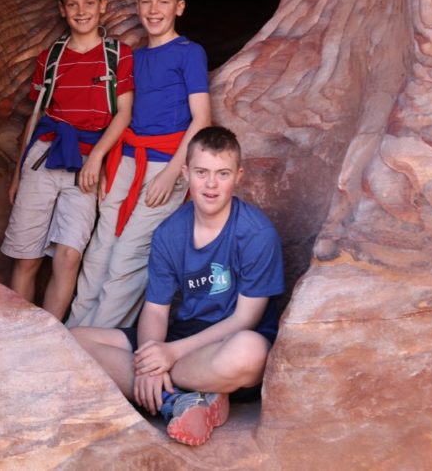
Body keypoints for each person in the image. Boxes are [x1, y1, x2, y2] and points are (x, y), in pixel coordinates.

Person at [71, 126, 285, 446]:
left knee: (250, 353)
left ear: (238, 176)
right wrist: (149, 364)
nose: (211, 184)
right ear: (185, 173)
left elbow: (245, 319)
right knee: (75, 339)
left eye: (222, 173)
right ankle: (180, 400)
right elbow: (156, 309)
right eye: (201, 172)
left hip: (227, 343)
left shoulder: (256, 233)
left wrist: (169, 355)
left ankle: (175, 393)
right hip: (182, 336)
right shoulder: (170, 232)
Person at [67, 0, 212, 329]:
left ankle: (96, 344)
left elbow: (202, 119)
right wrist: (106, 163)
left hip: (166, 163)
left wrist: (171, 173)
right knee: (98, 254)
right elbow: (124, 115)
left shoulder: (190, 52)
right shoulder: (132, 56)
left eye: (163, 2)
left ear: (179, 7)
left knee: (128, 257)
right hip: (127, 162)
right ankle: (72, 333)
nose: (153, 9)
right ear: (136, 6)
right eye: (146, 1)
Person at [0, 0, 133, 320]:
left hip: (86, 162)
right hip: (44, 157)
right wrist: (17, 174)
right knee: (26, 257)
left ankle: (50, 338)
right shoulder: (51, 58)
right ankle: (19, 333)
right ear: (62, 9)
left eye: (89, 3)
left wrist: (97, 160)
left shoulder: (118, 55)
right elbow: (36, 117)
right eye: (73, 4)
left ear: (102, 6)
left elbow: (123, 114)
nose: (81, 11)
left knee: (69, 255)